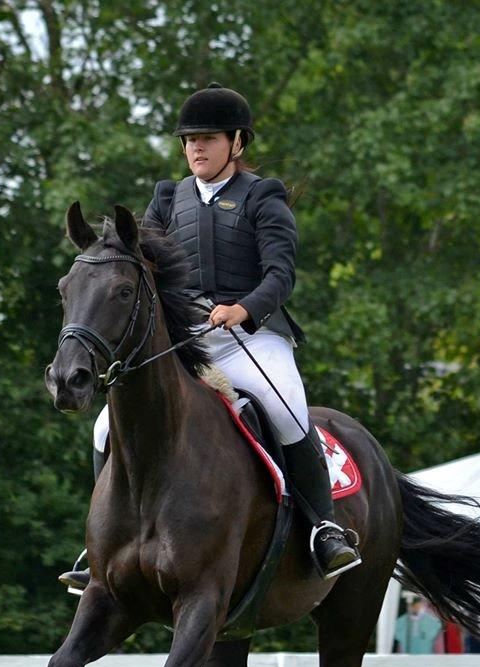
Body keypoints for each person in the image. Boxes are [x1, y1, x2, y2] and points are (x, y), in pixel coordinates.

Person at [60, 82, 361, 591]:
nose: (195, 148)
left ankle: (323, 528)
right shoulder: (167, 199)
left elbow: (281, 274)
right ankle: (104, 544)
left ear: (236, 143)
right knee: (103, 429)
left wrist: (242, 308)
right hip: (186, 339)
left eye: (207, 138)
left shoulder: (262, 196)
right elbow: (139, 263)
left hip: (252, 335)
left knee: (285, 408)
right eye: (188, 140)